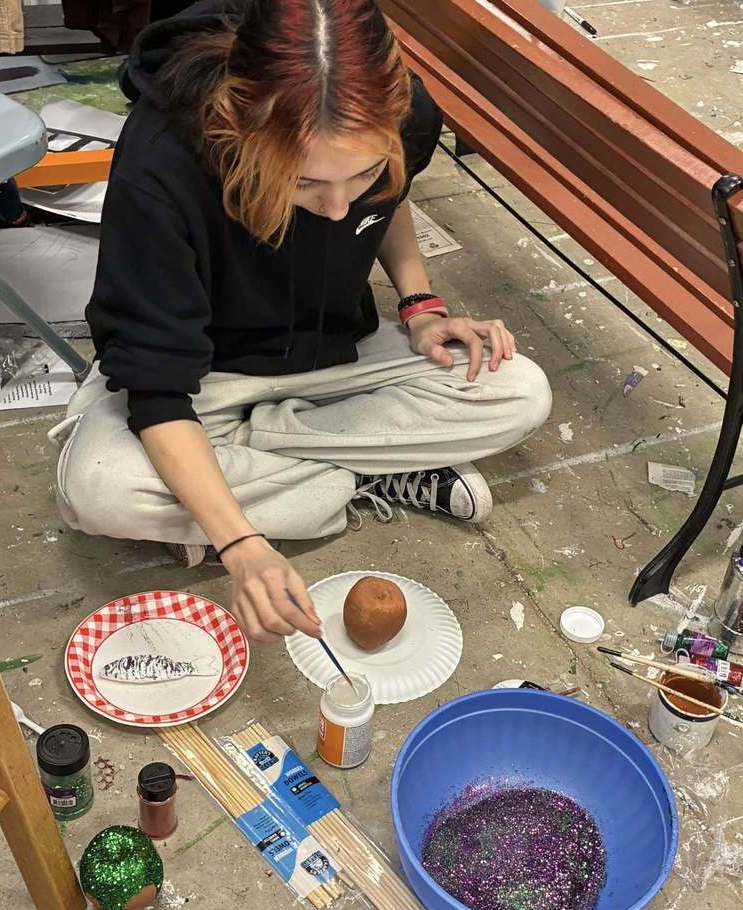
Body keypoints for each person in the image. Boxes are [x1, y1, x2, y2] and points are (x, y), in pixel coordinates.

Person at [50, 0, 552, 645]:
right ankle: (366, 471)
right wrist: (242, 547)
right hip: (204, 377)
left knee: (519, 391)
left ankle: (248, 476)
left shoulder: (411, 115)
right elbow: (156, 392)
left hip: (333, 357)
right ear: (239, 127)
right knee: (98, 490)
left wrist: (422, 308)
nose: (340, 209)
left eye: (364, 171)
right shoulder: (162, 162)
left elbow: (389, 199)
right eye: (306, 183)